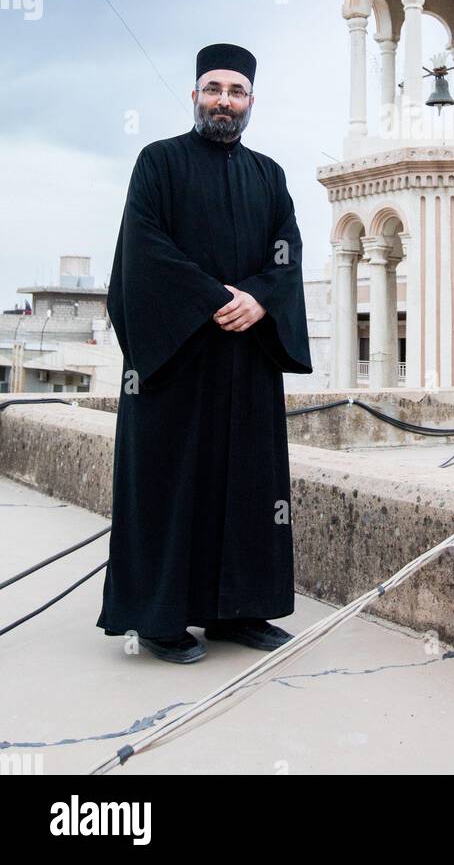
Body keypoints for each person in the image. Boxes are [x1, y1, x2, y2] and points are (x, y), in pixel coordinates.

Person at [96, 42, 313, 663]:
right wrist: (212, 296)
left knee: (248, 485)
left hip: (245, 359)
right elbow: (143, 247)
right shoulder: (158, 162)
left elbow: (288, 250)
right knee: (169, 486)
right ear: (195, 95)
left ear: (250, 102)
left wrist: (261, 300)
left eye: (236, 91)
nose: (224, 100)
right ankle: (160, 620)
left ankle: (239, 612)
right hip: (177, 360)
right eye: (214, 89)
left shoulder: (268, 175)